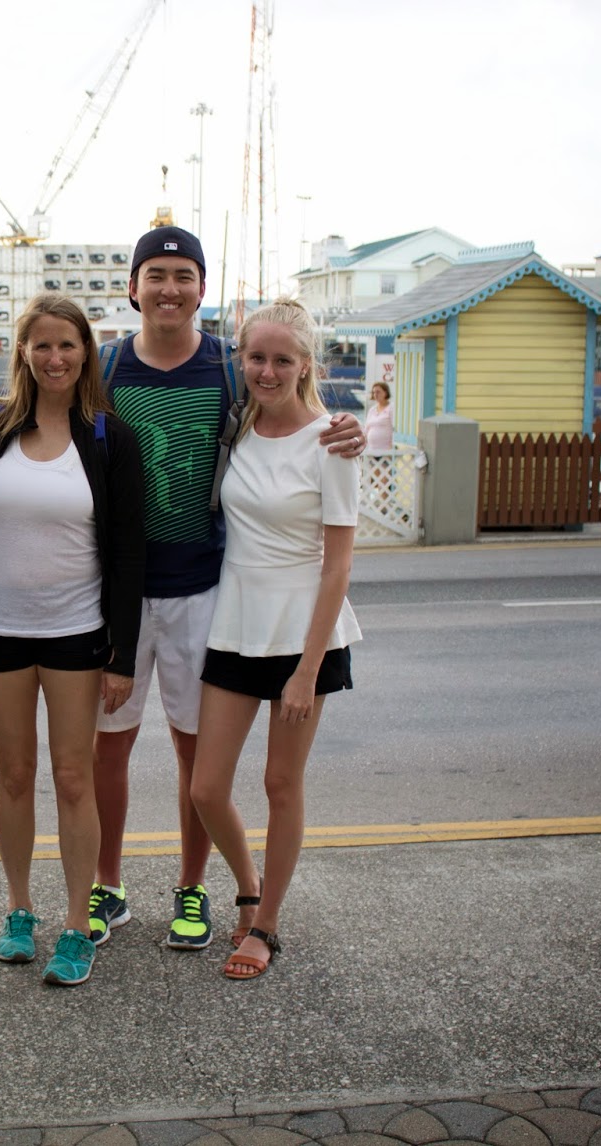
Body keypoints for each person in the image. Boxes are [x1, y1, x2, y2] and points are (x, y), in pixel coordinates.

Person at [88, 226, 365, 953]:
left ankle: (197, 889)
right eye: (155, 274)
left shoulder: (227, 369)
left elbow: (297, 415)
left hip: (204, 590)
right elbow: (47, 415)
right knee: (109, 750)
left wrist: (351, 430)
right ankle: (108, 884)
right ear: (133, 286)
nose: (169, 287)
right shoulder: (105, 364)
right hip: (124, 593)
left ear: (202, 289)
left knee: (198, 761)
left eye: (183, 274)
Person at [0, 294, 144, 986]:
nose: (55, 357)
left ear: (86, 352)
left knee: (72, 777)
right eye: (42, 344)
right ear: (23, 352)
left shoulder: (109, 437)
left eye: (67, 344)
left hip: (76, 631)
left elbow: (129, 555)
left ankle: (75, 924)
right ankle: (18, 911)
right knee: (13, 774)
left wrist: (123, 654)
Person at [188, 298, 361, 981]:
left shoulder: (331, 443)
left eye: (282, 360)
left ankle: (266, 924)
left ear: (305, 365)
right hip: (236, 622)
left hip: (303, 635)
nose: (267, 370)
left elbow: (338, 565)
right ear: (240, 359)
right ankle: (248, 886)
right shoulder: (236, 426)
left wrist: (306, 672)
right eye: (255, 357)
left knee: (280, 783)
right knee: (206, 788)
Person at [365, 381, 394, 451]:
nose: (375, 395)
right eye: (373, 392)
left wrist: (391, 449)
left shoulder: (392, 408)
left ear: (385, 393)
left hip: (386, 451)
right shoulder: (372, 410)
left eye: (378, 392)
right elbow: (366, 429)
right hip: (371, 450)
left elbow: (394, 429)